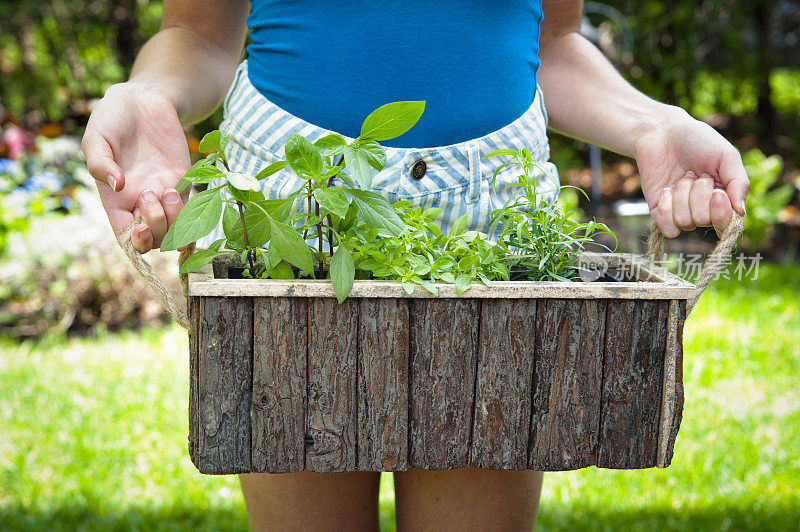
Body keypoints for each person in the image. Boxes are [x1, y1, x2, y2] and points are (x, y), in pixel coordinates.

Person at [82, 1, 749, 530]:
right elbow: (199, 31)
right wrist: (148, 93)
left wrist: (651, 123)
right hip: (295, 201)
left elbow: (550, 41)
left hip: (491, 212)